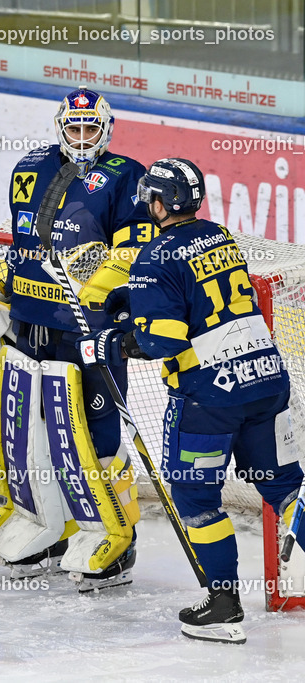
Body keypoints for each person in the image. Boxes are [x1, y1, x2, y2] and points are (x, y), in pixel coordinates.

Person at [78, 157, 305, 644]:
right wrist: (135, 299)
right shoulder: (221, 236)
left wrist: (114, 341)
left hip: (209, 399)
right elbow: (198, 294)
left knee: (196, 497)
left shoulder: (152, 256)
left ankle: (223, 605)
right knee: (283, 487)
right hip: (266, 380)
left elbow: (164, 339)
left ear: (159, 203)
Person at [0, 85, 155, 590]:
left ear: (105, 130)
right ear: (59, 127)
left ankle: (116, 537)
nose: (82, 137)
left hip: (89, 330)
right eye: (73, 127)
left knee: (97, 430)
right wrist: (6, 288)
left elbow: (135, 252)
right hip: (31, 323)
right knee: (32, 429)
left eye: (90, 128)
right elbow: (22, 240)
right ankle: (50, 525)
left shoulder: (128, 176)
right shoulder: (28, 168)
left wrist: (99, 279)